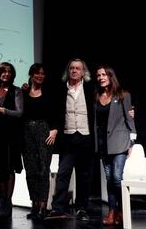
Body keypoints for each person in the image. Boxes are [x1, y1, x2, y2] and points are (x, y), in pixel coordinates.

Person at [45, 58, 94, 221]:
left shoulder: (90, 88)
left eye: (77, 68)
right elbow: (52, 110)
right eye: (71, 68)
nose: (74, 70)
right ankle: (58, 208)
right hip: (67, 137)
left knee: (84, 174)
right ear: (68, 71)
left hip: (86, 136)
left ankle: (82, 208)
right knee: (63, 173)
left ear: (83, 72)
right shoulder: (60, 89)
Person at [93, 65, 136, 225]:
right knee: (110, 178)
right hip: (103, 143)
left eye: (104, 74)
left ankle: (121, 209)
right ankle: (113, 211)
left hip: (120, 142)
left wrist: (131, 141)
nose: (101, 77)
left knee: (117, 177)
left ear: (111, 76)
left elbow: (129, 118)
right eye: (98, 75)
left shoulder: (123, 95)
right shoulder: (96, 96)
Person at [21, 63, 58, 219]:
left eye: (42, 73)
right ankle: (34, 204)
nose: (40, 76)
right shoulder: (23, 92)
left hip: (44, 131)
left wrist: (55, 130)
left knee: (43, 169)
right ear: (31, 75)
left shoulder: (49, 92)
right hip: (27, 132)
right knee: (31, 170)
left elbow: (57, 112)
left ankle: (43, 205)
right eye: (37, 73)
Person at [0, 62, 23, 217]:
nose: (6, 74)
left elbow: (19, 113)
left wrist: (1, 110)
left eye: (9, 71)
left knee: (9, 168)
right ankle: (2, 199)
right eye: (3, 71)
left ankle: (8, 201)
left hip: (10, 135)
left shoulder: (17, 91)